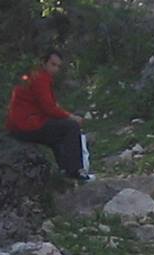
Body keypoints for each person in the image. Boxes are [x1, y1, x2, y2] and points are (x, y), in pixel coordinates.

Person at [5, 49, 90, 181]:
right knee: (71, 127)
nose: (55, 69)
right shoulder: (40, 78)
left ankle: (64, 170)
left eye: (58, 66)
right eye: (52, 64)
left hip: (18, 126)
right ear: (44, 63)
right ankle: (75, 171)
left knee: (56, 134)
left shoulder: (33, 75)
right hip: (27, 125)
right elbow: (49, 108)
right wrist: (71, 117)